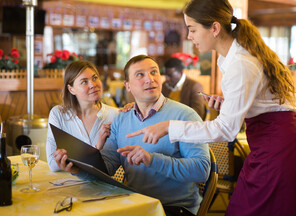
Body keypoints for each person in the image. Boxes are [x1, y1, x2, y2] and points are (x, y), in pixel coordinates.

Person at [126, 0, 296, 216]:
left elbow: (227, 130)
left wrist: (170, 126)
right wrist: (229, 105)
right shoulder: (227, 58)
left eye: (192, 29)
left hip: (281, 145)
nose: (190, 36)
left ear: (215, 28)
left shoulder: (240, 63)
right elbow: (259, 102)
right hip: (270, 140)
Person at [54, 55, 210, 215]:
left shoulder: (185, 115)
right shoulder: (121, 119)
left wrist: (151, 159)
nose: (150, 79)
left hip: (174, 209)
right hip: (134, 206)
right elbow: (106, 168)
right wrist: (77, 169)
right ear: (127, 86)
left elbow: (202, 170)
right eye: (140, 75)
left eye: (154, 72)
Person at [46, 60, 119, 172]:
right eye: (84, 82)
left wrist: (74, 160)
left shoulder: (115, 115)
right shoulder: (58, 114)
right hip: (65, 185)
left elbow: (111, 168)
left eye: (95, 78)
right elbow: (53, 164)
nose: (93, 85)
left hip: (101, 188)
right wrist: (96, 149)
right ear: (71, 89)